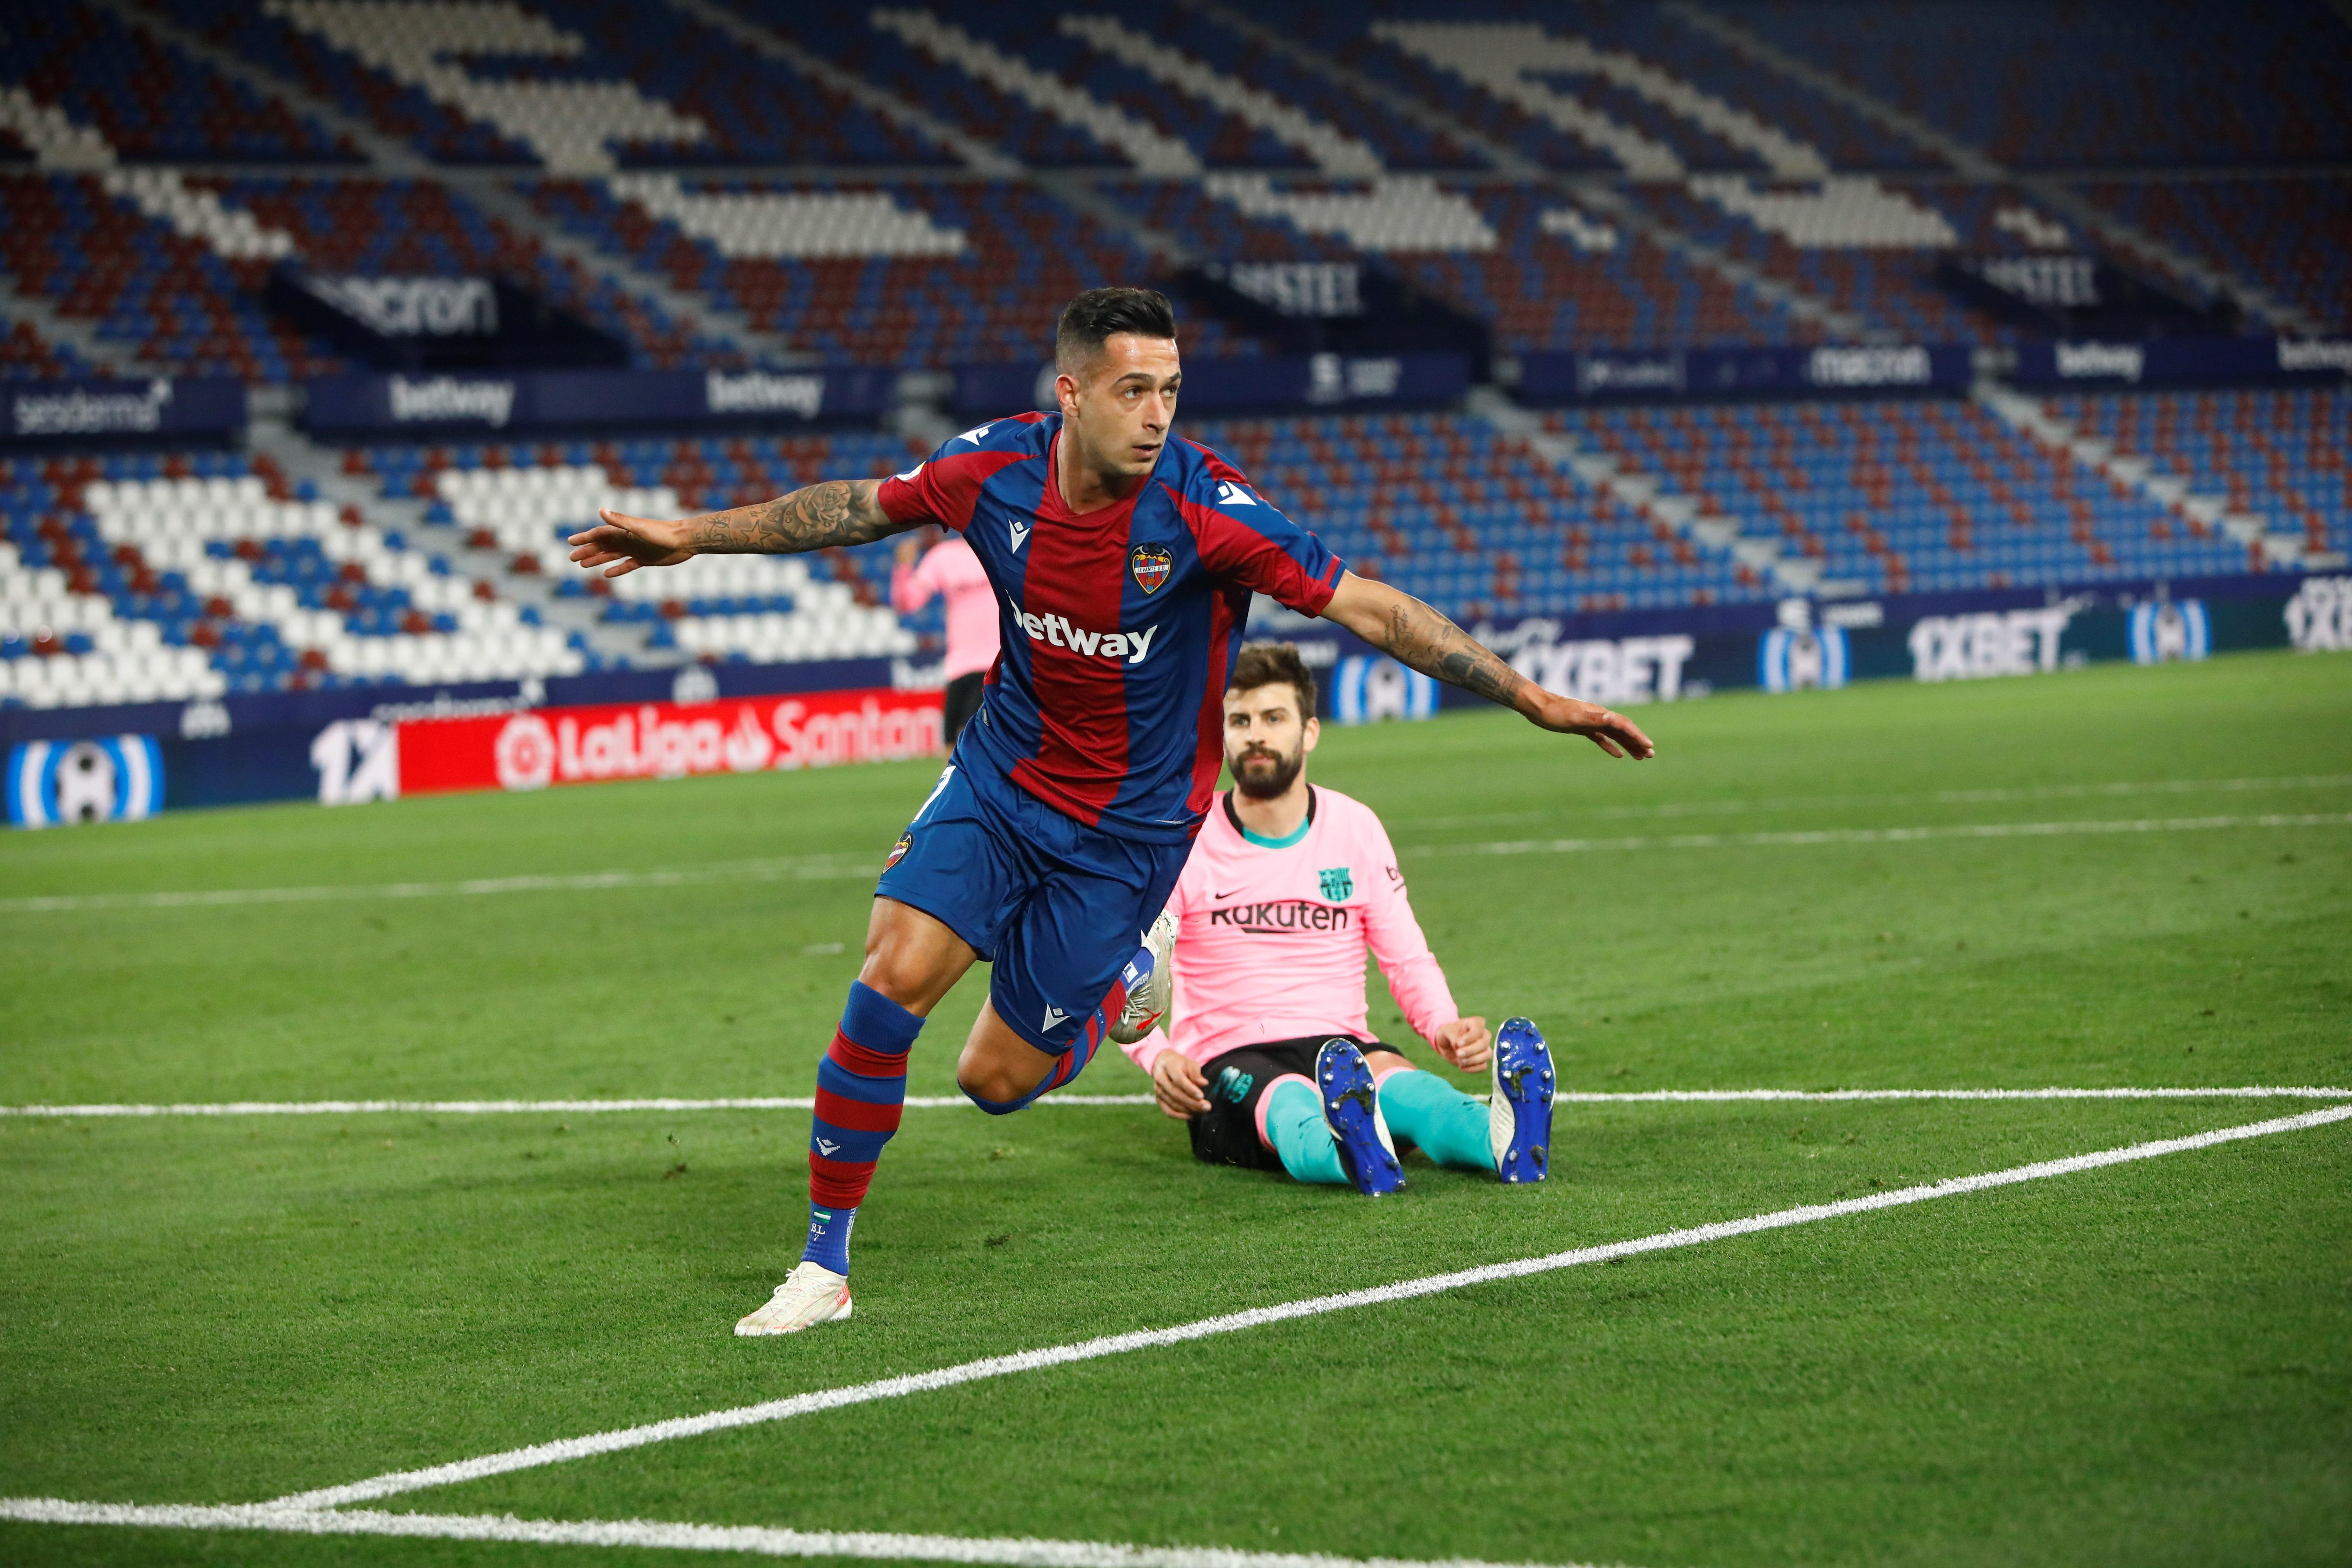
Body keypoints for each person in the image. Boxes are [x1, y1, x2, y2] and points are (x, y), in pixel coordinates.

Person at [568, 287, 1654, 1337]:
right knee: (887, 980)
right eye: (1132, 390)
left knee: (991, 1082)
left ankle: (1121, 989)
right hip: (1001, 779)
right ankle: (823, 1261)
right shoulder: (991, 468)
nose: (1155, 414)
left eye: (1170, 390)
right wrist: (692, 534)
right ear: (1070, 393)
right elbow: (855, 508)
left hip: (1125, 840)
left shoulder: (1203, 508)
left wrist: (1526, 695)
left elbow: (1370, 604)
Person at [1124, 641, 1553, 1195]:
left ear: (1309, 732)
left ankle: (1501, 1139)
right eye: (1240, 720)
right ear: (1221, 734)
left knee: (1414, 1093)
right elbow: (1129, 969)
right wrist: (1157, 1057)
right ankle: (1353, 1155)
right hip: (1227, 1055)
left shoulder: (1355, 827)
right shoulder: (1185, 840)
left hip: (1342, 1048)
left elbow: (1405, 955)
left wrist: (1443, 1023)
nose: (1256, 734)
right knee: (1291, 1104)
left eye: (1274, 718)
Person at [891, 526, 997, 746]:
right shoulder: (943, 556)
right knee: (952, 740)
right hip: (960, 665)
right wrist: (904, 567)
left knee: (970, 737)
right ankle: (954, 782)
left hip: (996, 663)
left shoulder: (1002, 546)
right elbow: (908, 603)